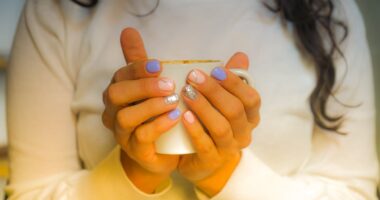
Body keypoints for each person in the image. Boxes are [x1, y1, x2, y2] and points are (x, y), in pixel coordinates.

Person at [5, 0, 378, 199]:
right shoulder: (56, 10)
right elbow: (32, 193)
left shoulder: (330, 12)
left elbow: (355, 193)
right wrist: (135, 171)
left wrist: (225, 174)